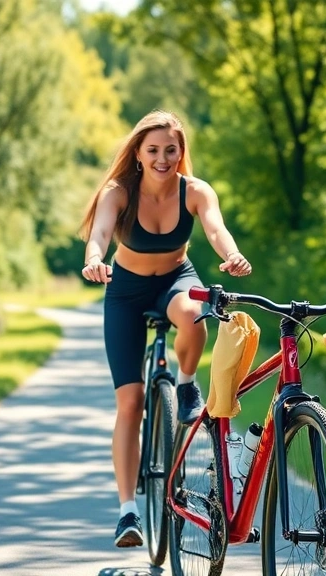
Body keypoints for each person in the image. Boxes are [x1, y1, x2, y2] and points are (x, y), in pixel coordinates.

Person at [78, 110, 251, 548]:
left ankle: (187, 384)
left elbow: (216, 229)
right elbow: (98, 233)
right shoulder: (119, 192)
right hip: (126, 293)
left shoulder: (195, 191)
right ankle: (128, 512)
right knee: (131, 402)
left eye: (170, 150)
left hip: (177, 281)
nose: (162, 158)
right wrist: (94, 260)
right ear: (138, 153)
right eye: (153, 150)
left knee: (195, 317)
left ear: (181, 152)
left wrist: (232, 256)